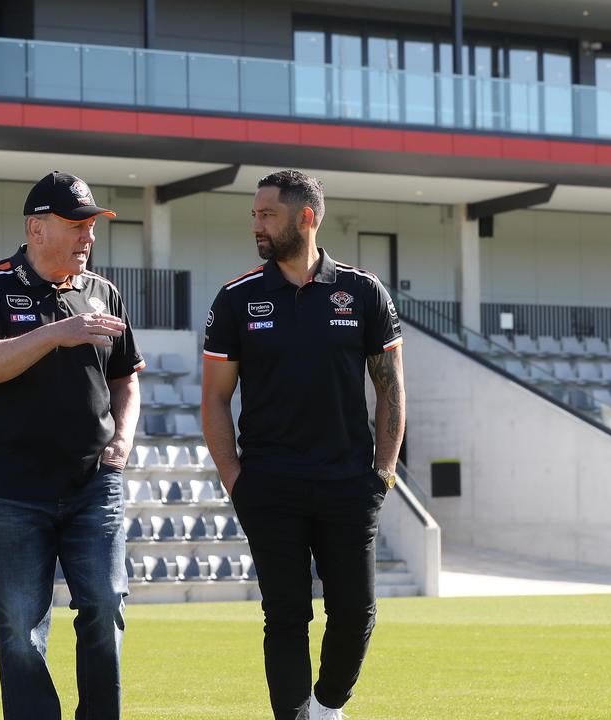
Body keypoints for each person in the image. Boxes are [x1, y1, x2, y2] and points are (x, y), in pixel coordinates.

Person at [200, 169, 406, 720]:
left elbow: (391, 389)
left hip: (347, 485)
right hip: (269, 486)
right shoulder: (236, 299)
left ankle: (328, 706)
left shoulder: (363, 292)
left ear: (306, 217)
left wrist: (382, 474)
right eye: (254, 215)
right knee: (286, 616)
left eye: (267, 215)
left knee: (355, 611)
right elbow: (215, 399)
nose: (256, 226)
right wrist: (236, 480)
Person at [0, 171, 145, 720]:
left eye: (93, 227)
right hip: (15, 490)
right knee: (19, 626)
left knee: (106, 607)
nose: (89, 237)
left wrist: (124, 439)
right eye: (78, 226)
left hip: (94, 485)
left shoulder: (103, 292)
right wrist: (55, 334)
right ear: (37, 229)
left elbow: (126, 378)